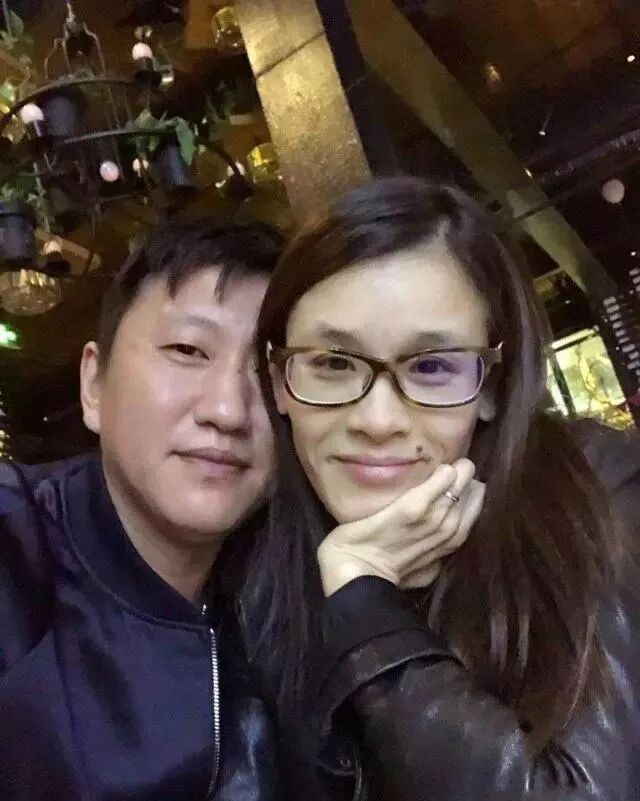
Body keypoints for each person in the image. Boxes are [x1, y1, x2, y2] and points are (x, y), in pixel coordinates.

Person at [249, 177, 640, 800]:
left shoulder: (597, 493)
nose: (378, 420)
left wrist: (365, 606)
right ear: (278, 383)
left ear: (490, 387)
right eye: (333, 363)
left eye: (431, 366)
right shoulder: (254, 569)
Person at [0, 220, 283, 800]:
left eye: (270, 370)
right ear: (93, 384)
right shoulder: (14, 546)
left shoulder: (296, 586)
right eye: (187, 350)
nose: (228, 410)